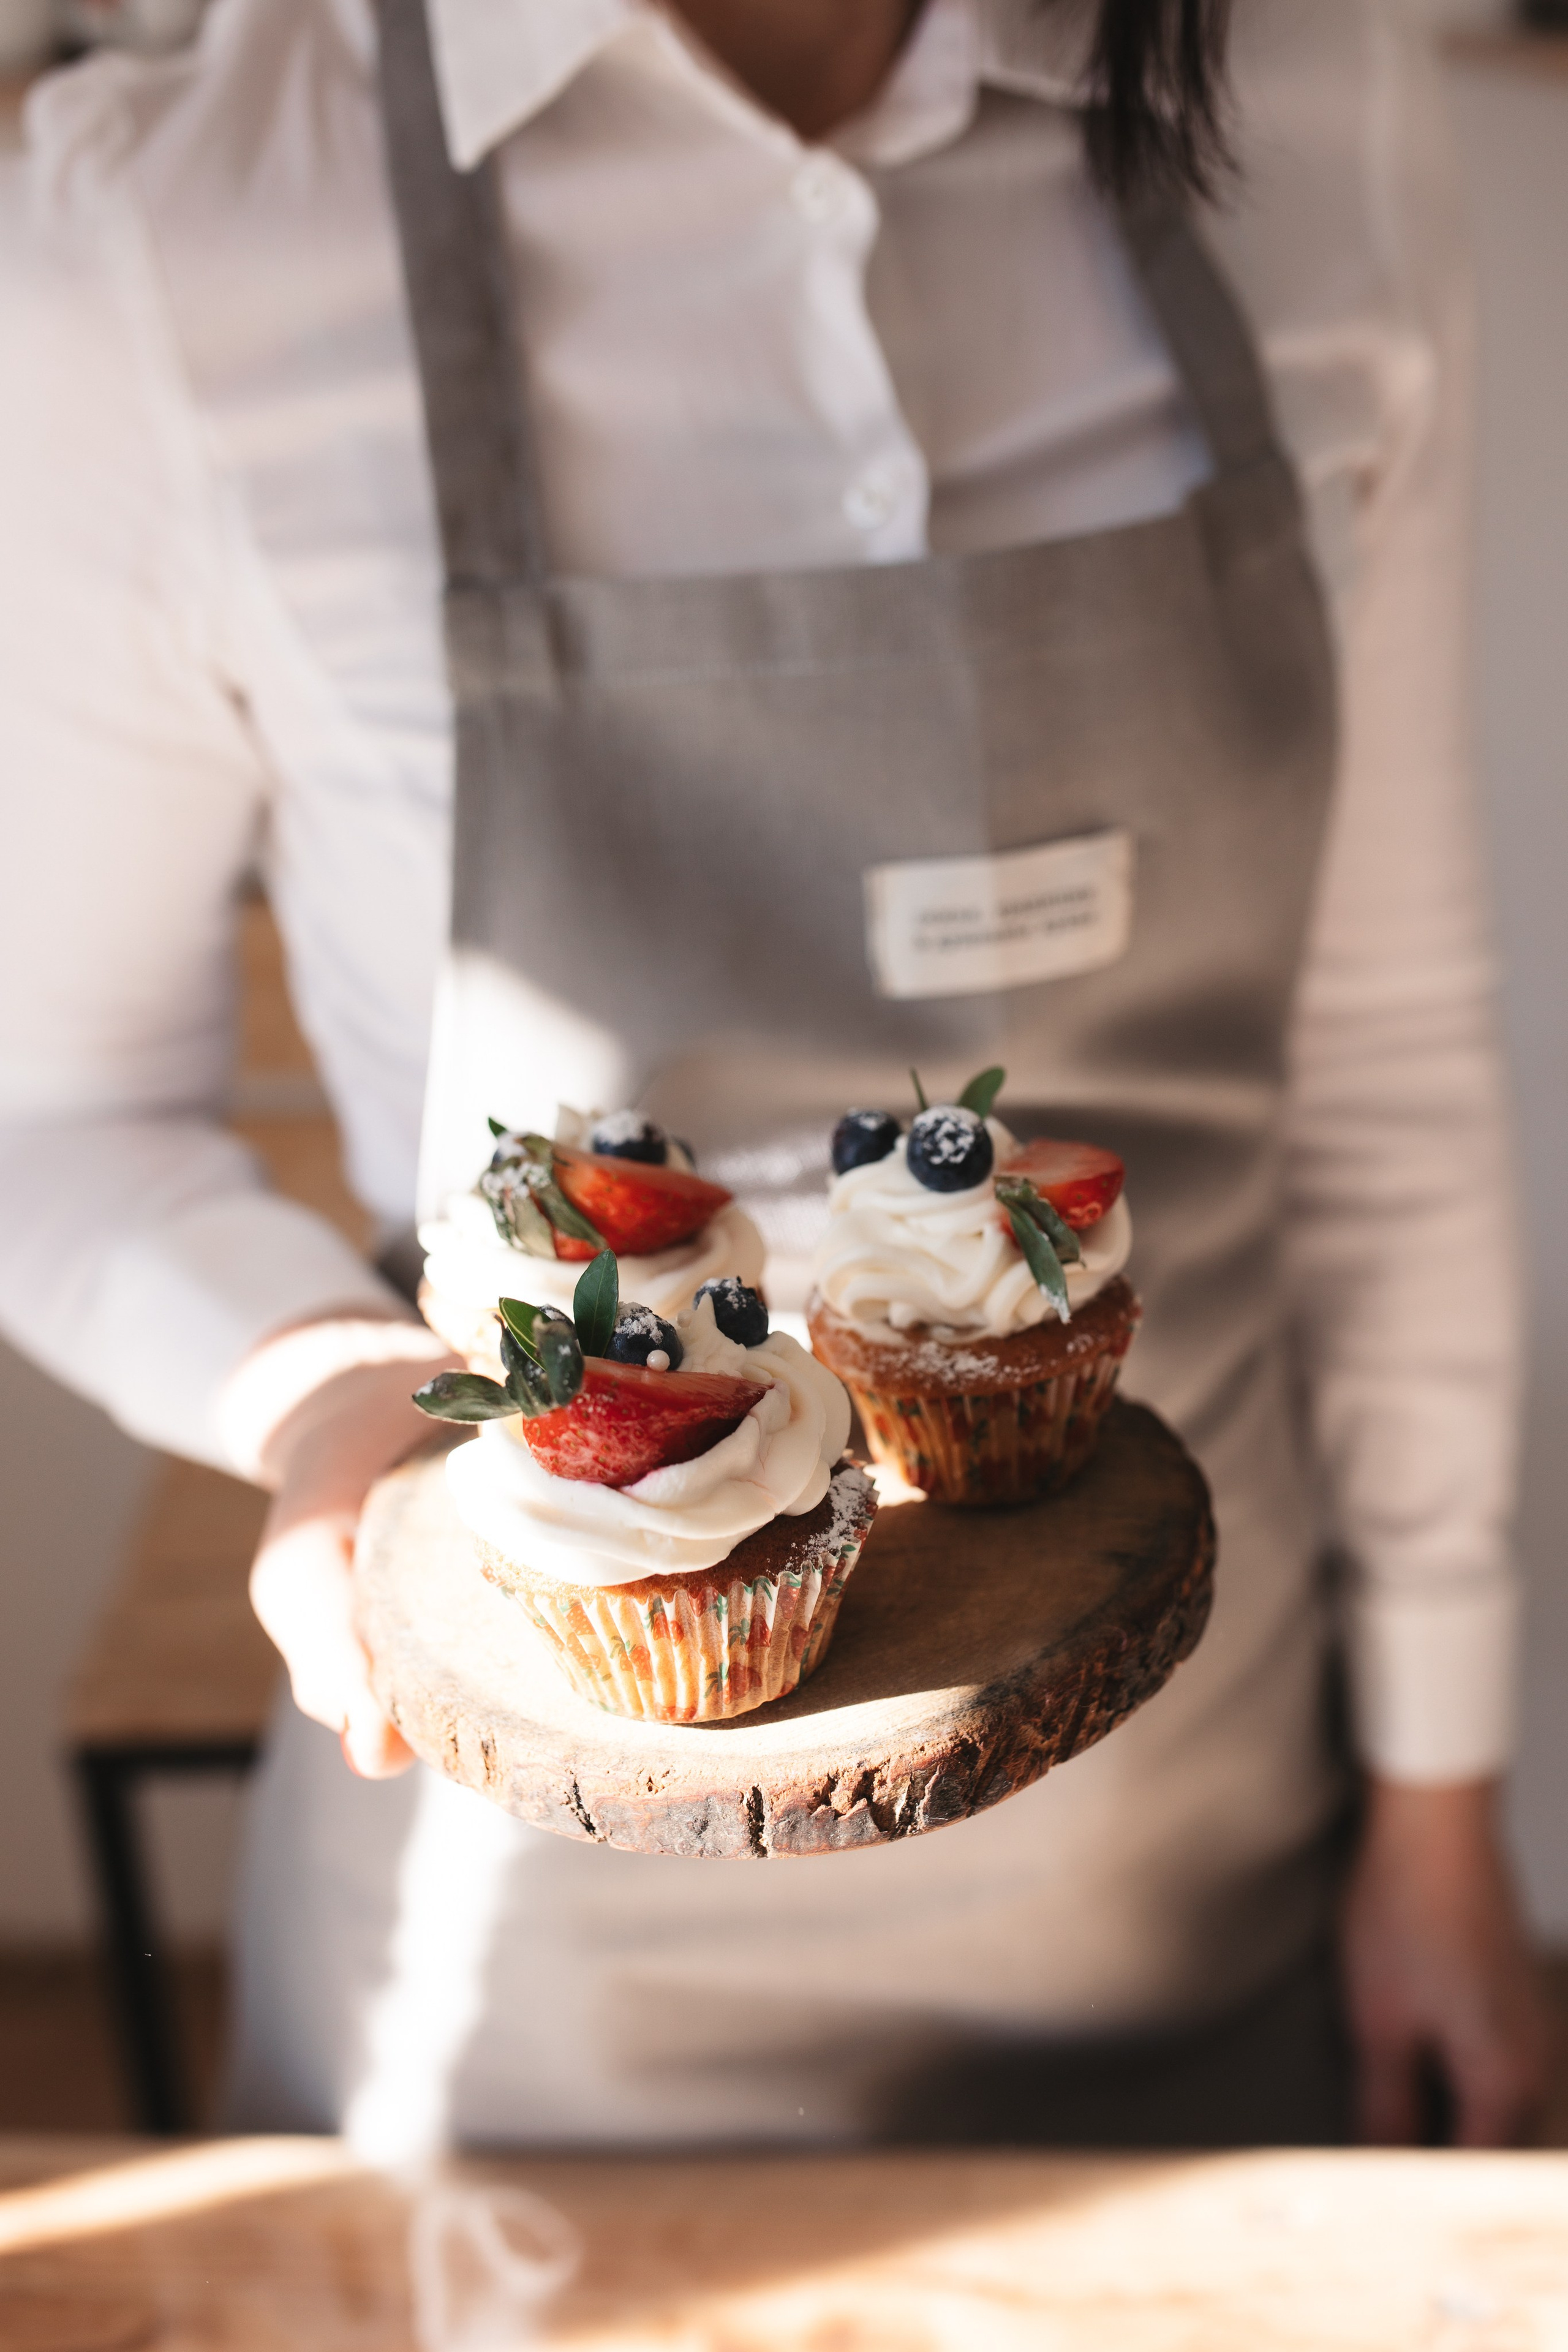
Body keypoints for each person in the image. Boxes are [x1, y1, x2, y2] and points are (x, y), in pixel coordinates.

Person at [0, 0, 1551, 2151]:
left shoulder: (1315, 93)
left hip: (1212, 1880)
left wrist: (1449, 1813)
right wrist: (317, 1390)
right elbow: (51, 1118)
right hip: (527, 2009)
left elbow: (1381, 1066)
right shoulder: (160, 242)